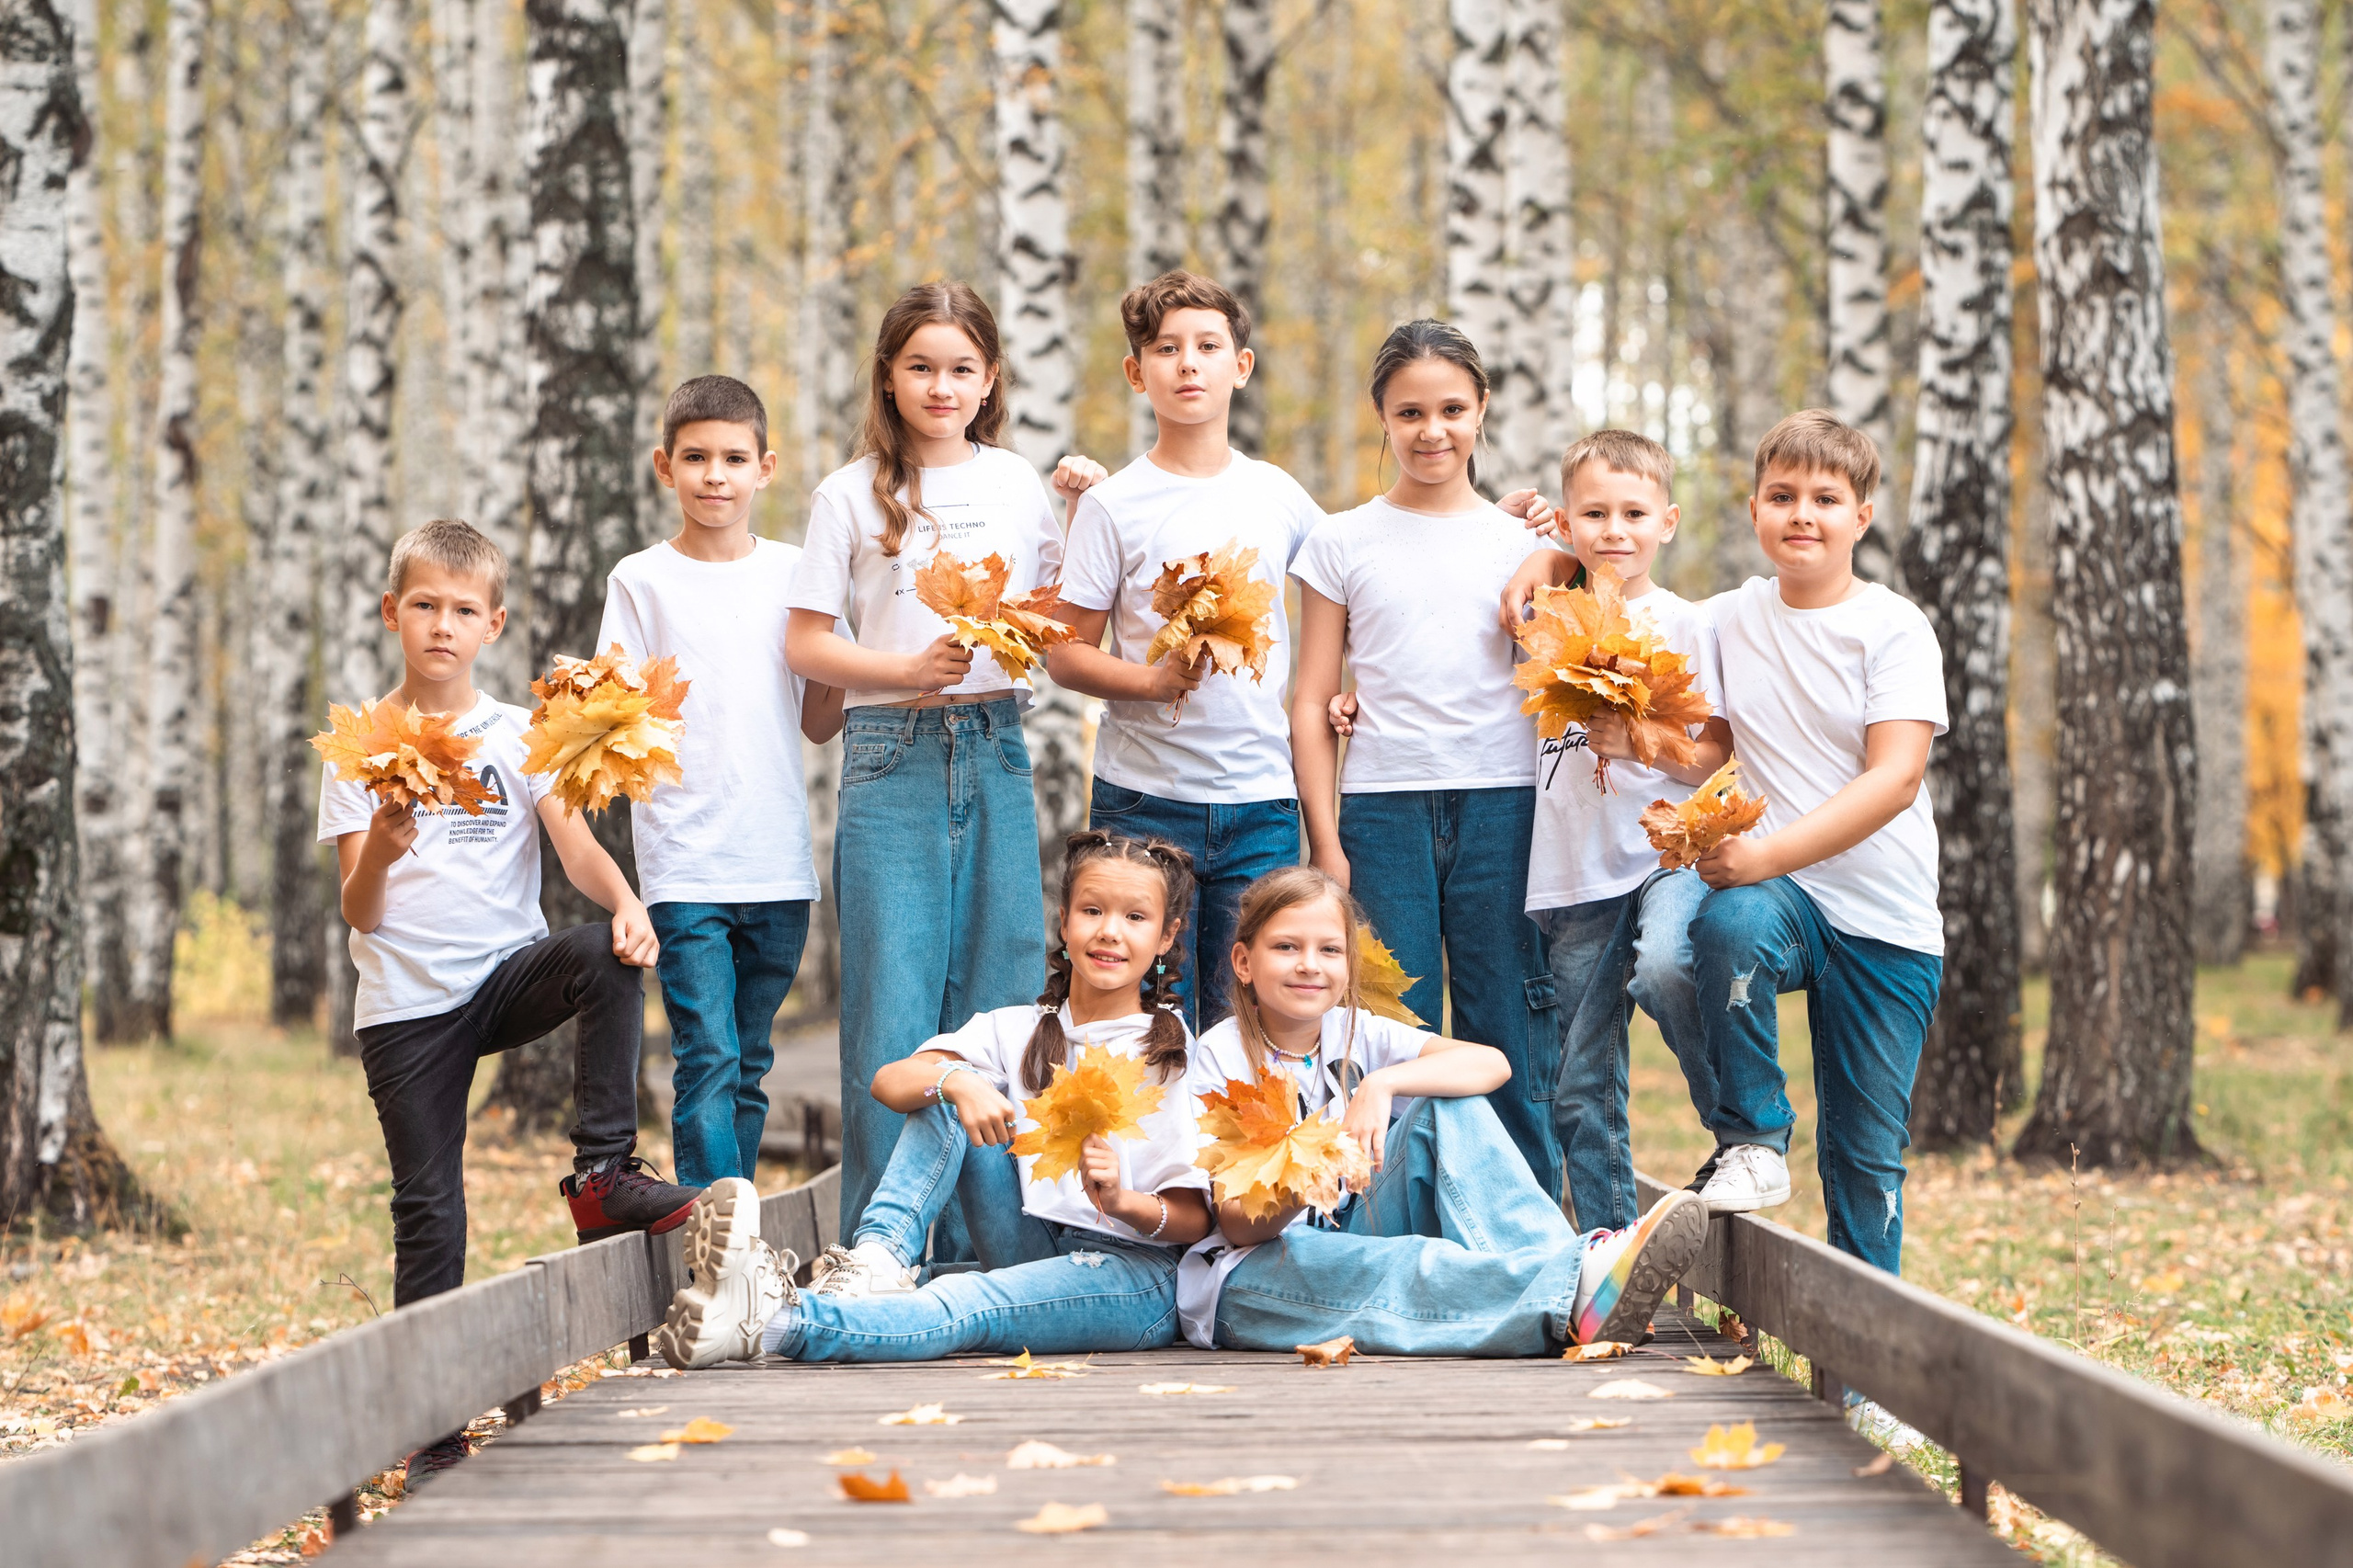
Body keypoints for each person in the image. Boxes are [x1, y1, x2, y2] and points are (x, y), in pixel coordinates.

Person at [318, 519, 699, 1485]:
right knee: (429, 1209)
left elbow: (572, 848)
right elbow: (354, 906)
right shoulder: (361, 747)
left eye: (461, 609)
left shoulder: (514, 734)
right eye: (423, 606)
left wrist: (625, 904)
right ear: (391, 612)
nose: (441, 625)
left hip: (503, 970)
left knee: (603, 956)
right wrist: (389, 851)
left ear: (492, 623)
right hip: (406, 1005)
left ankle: (603, 1175)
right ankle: (433, 1424)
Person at [783, 282, 1105, 1239]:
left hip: (997, 746)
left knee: (1001, 999)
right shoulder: (846, 495)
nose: (939, 385)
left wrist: (1085, 515)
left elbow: (1055, 615)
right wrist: (899, 667)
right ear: (888, 374)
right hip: (893, 753)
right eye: (920, 365)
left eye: (960, 368)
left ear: (990, 378)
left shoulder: (1013, 482)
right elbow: (805, 643)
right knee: (894, 1003)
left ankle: (1000, 1251)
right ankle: (887, 1251)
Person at [654, 833, 1212, 1367]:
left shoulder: (1167, 1051)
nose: (1110, 931)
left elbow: (1193, 1218)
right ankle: (877, 1257)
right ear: (1064, 922)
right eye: (1092, 911)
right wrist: (956, 1083)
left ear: (1166, 937)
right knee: (941, 1085)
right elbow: (890, 1082)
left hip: (1133, 1272)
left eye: (1135, 917)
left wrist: (1120, 1201)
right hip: (1032, 1241)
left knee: (969, 1298)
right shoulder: (1015, 1028)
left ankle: (773, 1321)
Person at [1181, 866, 1709, 1356]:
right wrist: (1315, 1162)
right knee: (1406, 1263)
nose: (1309, 965)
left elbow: (1492, 1065)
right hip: (1250, 1274)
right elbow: (1238, 1226)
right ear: (1244, 962)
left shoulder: (1355, 1031)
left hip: (1350, 1228)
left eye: (1329, 949)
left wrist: (1383, 1083)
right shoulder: (1222, 1056)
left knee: (1449, 1106)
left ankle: (1579, 1279)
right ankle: (1578, 1293)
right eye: (1286, 947)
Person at [1292, 320, 1562, 1197]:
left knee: (1507, 1023)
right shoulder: (1341, 542)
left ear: (1483, 410)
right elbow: (1309, 698)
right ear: (1381, 416)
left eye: (1452, 408)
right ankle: (1387, 1223)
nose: (1433, 430)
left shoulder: (1527, 547)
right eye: (1410, 412)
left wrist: (1559, 551)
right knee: (1384, 1029)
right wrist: (1326, 840)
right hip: (1382, 812)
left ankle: (1525, 1229)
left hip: (1505, 806)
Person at [1682, 409, 1947, 1274]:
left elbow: (1894, 778)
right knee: (1727, 926)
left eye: (1826, 498)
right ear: (1754, 509)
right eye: (1782, 495)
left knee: (1866, 1161)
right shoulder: (1727, 617)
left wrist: (1762, 856)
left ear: (1861, 517)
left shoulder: (1894, 627)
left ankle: (1866, 1391)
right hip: (1788, 908)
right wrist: (1543, 550)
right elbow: (1621, 590)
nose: (1803, 514)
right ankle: (1755, 1136)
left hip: (1885, 919)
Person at [1046, 270, 1324, 1032]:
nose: (1188, 364)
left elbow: (1353, 588)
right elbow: (1064, 652)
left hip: (1261, 801)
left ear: (1242, 365)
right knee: (1150, 1015)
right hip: (1143, 802)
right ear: (1139, 374)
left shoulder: (1280, 497)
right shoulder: (1113, 505)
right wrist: (1148, 678)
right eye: (1166, 349)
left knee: (1253, 1014)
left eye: (1208, 346)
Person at [597, 376, 845, 1188]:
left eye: (734, 458)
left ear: (765, 468)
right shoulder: (641, 581)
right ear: (664, 467)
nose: (715, 475)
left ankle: (734, 1231)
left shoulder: (797, 574)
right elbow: (612, 714)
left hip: (776, 860)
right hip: (684, 860)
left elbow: (818, 720)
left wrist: (854, 642)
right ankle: (713, 1231)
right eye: (696, 457)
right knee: (708, 1054)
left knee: (750, 1061)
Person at [1490, 430, 1733, 1230]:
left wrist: (1641, 742)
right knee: (1576, 1084)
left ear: (1668, 520)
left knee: (1668, 968)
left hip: (1665, 856)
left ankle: (1739, 1130)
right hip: (1574, 877)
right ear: (1566, 521)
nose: (1615, 530)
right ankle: (1613, 1248)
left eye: (1634, 512)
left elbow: (1716, 759)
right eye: (1594, 513)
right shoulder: (1545, 623)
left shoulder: (1687, 625)